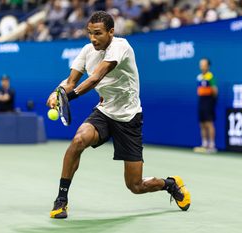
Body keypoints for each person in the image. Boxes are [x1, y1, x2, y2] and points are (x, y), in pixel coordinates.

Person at [46, 11, 191, 219]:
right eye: (90, 33)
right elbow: (70, 82)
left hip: (129, 119)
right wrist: (56, 92)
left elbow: (96, 77)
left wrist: (69, 97)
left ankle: (170, 184)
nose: (93, 39)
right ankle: (61, 200)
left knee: (135, 185)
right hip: (104, 113)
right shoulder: (88, 51)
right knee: (78, 140)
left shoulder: (121, 47)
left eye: (98, 34)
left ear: (111, 32)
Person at [194, 58, 218, 153]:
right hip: (201, 102)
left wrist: (211, 101)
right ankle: (204, 144)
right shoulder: (199, 77)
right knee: (202, 123)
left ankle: (212, 145)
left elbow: (215, 91)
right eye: (201, 64)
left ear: (208, 66)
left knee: (209, 123)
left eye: (204, 64)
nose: (202, 66)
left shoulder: (210, 77)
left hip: (209, 102)